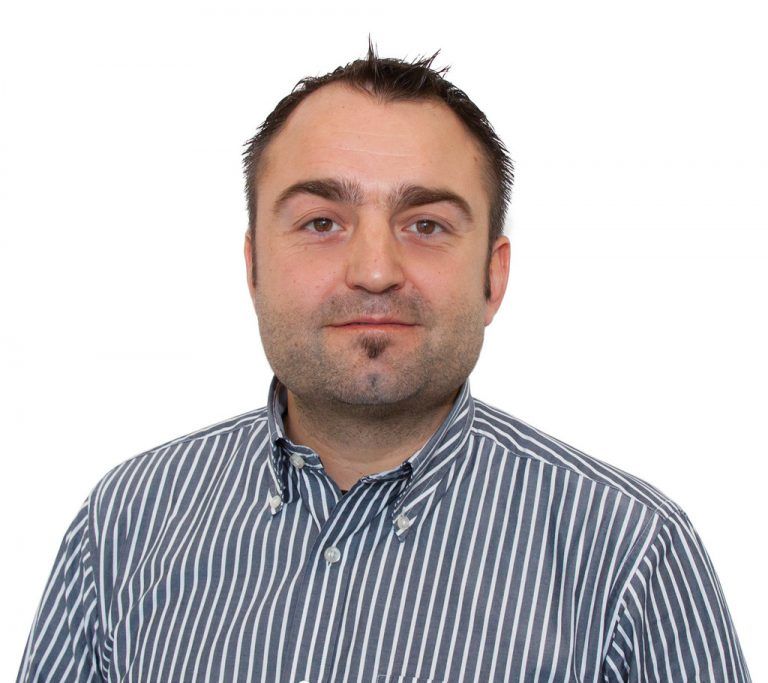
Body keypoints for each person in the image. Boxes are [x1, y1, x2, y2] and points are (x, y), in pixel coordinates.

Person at [18, 44, 751, 683]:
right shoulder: (126, 523)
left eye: (425, 224)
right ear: (253, 266)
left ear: (493, 276)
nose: (374, 270)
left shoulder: (632, 555)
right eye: (322, 222)